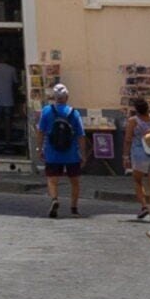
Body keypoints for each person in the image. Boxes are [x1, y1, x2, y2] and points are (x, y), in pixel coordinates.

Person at [39, 83, 88, 218]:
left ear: (54, 97)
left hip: (52, 152)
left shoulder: (47, 111)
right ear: (67, 97)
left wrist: (39, 148)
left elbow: (40, 131)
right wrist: (83, 154)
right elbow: (81, 135)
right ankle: (74, 207)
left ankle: (54, 199)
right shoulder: (74, 113)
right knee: (75, 182)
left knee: (52, 179)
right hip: (71, 153)